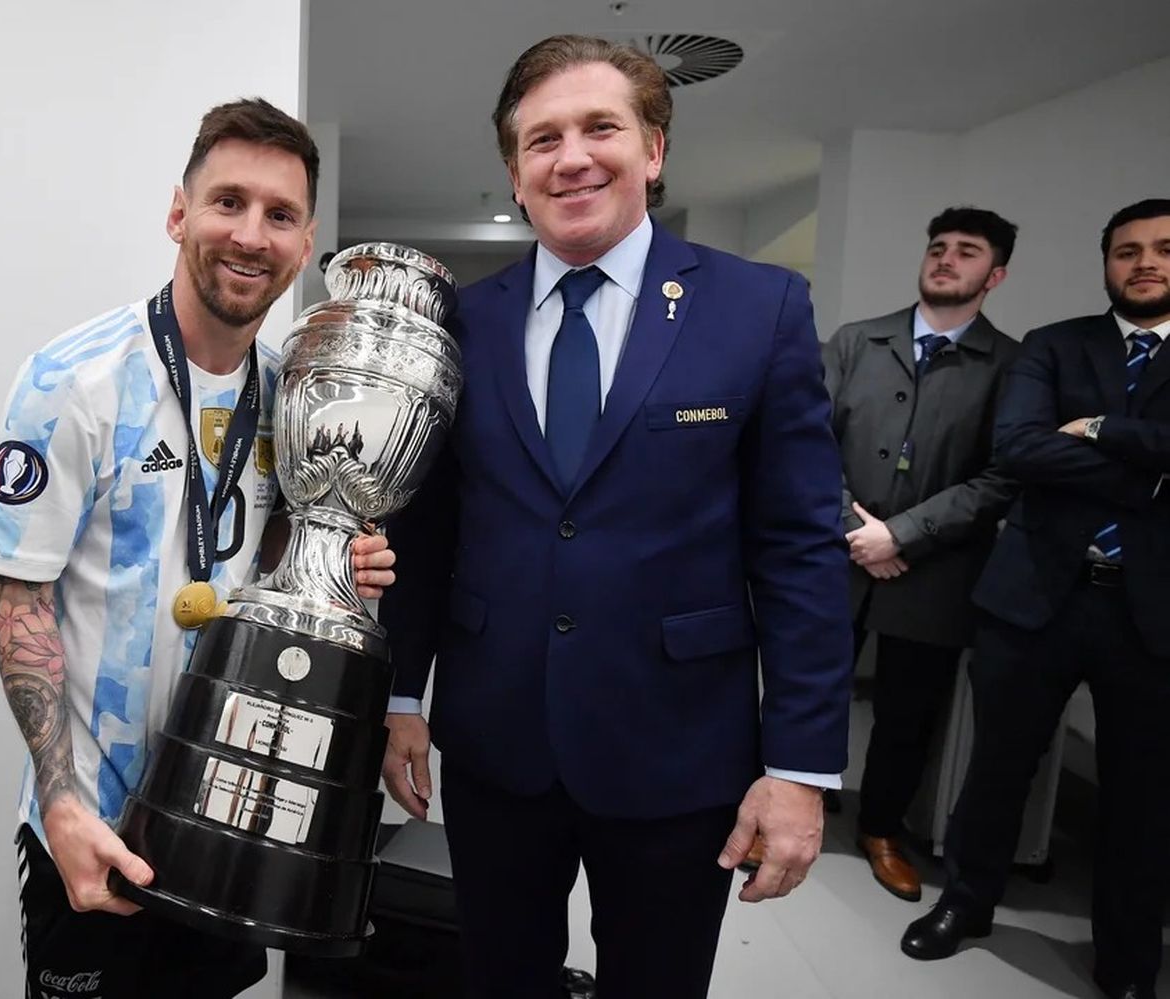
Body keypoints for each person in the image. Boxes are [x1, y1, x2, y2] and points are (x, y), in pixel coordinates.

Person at [377, 35, 851, 998]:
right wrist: (400, 697)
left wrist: (800, 767)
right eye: (541, 139)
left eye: (602, 127)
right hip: (495, 739)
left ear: (655, 149)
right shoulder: (463, 325)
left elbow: (800, 548)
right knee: (501, 978)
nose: (573, 157)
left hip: (678, 746)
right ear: (515, 172)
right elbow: (428, 531)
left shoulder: (759, 309)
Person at [0, 98, 396, 999]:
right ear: (178, 213)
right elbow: (19, 596)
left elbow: (275, 566)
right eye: (227, 201)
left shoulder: (295, 394)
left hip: (229, 818)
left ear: (305, 240)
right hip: (95, 824)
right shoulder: (73, 378)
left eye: (279, 215)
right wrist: (60, 800)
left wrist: (335, 571)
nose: (251, 234)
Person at [900, 199, 1170, 999]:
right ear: (1107, 262)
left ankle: (1126, 958)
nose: (1144, 262)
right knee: (996, 769)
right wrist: (1154, 473)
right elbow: (1019, 447)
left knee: (1143, 795)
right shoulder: (1056, 345)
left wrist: (1101, 433)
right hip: (1034, 596)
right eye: (1126, 251)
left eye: (1160, 249)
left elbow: (1055, 452)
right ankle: (967, 902)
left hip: (1151, 612)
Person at [820, 207, 1019, 901]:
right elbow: (803, 442)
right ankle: (793, 804)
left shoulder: (1011, 365)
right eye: (938, 246)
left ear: (994, 275)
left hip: (933, 571)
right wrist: (855, 528)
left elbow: (1003, 475)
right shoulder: (854, 342)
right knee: (808, 687)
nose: (946, 259)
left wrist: (901, 534)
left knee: (908, 712)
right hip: (832, 556)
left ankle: (880, 828)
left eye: (966, 252)